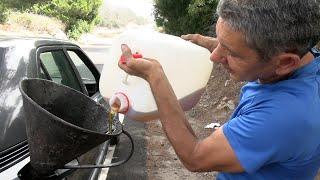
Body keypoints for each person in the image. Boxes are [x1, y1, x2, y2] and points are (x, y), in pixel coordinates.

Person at [118, 0, 320, 179]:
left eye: (230, 52)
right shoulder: (304, 57)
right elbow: (248, 48)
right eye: (219, 41)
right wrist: (207, 42)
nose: (214, 56)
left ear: (285, 63)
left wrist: (154, 75)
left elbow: (195, 156)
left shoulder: (284, 117)